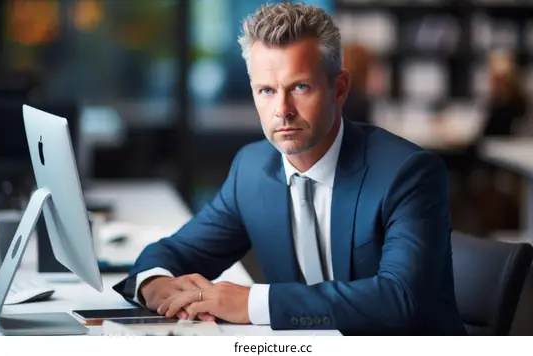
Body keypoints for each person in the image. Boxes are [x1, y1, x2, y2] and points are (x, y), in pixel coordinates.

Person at [113, 2, 466, 336]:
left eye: (300, 87)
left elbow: (397, 299)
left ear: (339, 89)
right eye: (266, 90)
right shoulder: (252, 169)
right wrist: (155, 284)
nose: (282, 109)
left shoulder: (407, 173)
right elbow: (174, 252)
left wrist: (250, 302)